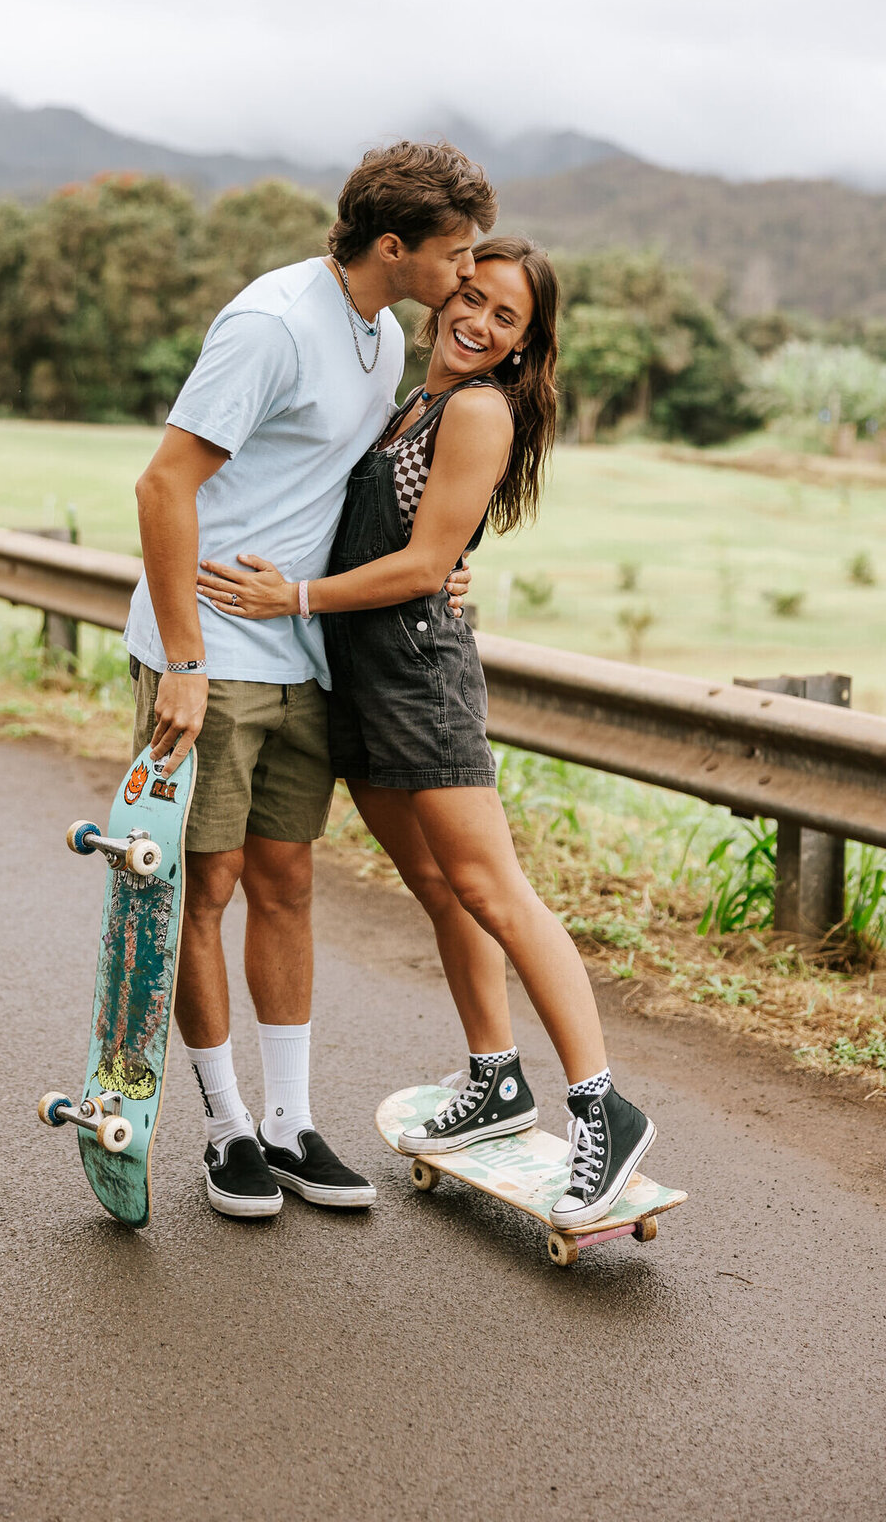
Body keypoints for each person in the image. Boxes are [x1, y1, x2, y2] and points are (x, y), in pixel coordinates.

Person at [195, 237, 656, 1228]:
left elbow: (421, 564)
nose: (479, 321)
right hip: (355, 682)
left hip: (416, 678)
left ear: (525, 348)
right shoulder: (405, 394)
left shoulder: (480, 408)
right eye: (473, 296)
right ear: (443, 288)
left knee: (493, 890)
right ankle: (496, 1077)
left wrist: (297, 598)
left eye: (506, 319)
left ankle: (602, 1107)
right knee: (439, 889)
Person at [124, 141, 497, 1220]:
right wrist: (184, 661)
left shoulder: (380, 338)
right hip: (214, 655)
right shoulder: (273, 323)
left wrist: (441, 564)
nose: (467, 275)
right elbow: (162, 488)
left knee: (287, 885)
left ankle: (288, 1125)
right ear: (396, 246)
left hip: (304, 656)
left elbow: (354, 487)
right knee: (209, 889)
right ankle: (226, 1126)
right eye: (457, 253)